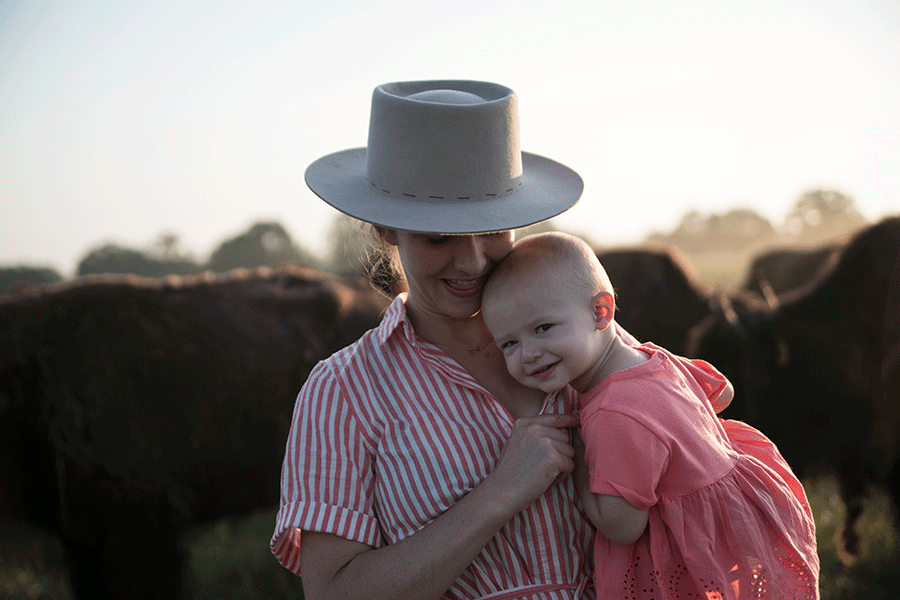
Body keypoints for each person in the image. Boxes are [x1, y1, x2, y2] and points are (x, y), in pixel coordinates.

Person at [271, 80, 628, 599]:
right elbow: (332, 593)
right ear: (386, 229)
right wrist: (499, 493)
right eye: (439, 237)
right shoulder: (343, 392)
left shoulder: (588, 338)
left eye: (491, 230)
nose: (473, 262)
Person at [480, 231, 821, 600]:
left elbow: (622, 526)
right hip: (739, 526)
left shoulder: (611, 413)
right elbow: (723, 392)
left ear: (601, 312)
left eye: (542, 328)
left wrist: (577, 459)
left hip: (689, 565)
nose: (528, 353)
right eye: (509, 343)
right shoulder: (655, 358)